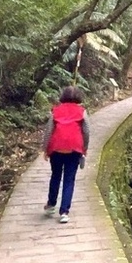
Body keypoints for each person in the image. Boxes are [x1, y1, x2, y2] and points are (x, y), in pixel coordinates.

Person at [42, 85, 90, 223]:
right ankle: (64, 212)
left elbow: (48, 131)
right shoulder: (82, 112)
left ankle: (51, 205)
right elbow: (86, 132)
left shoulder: (56, 111)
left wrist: (45, 149)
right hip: (74, 148)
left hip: (57, 148)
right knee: (69, 179)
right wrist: (84, 149)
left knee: (55, 176)